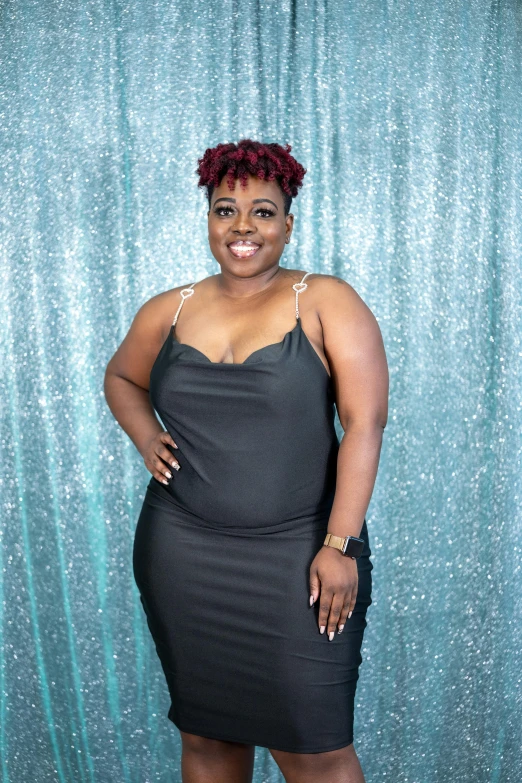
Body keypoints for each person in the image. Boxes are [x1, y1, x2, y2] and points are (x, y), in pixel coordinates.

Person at [104, 139, 389, 783]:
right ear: (208, 218)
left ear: (288, 224)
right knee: (208, 739)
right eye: (225, 209)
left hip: (303, 553)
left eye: (263, 212)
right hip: (183, 553)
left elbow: (365, 425)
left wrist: (340, 545)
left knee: (316, 752)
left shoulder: (325, 302)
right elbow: (121, 378)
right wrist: (148, 437)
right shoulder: (169, 308)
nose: (242, 227)